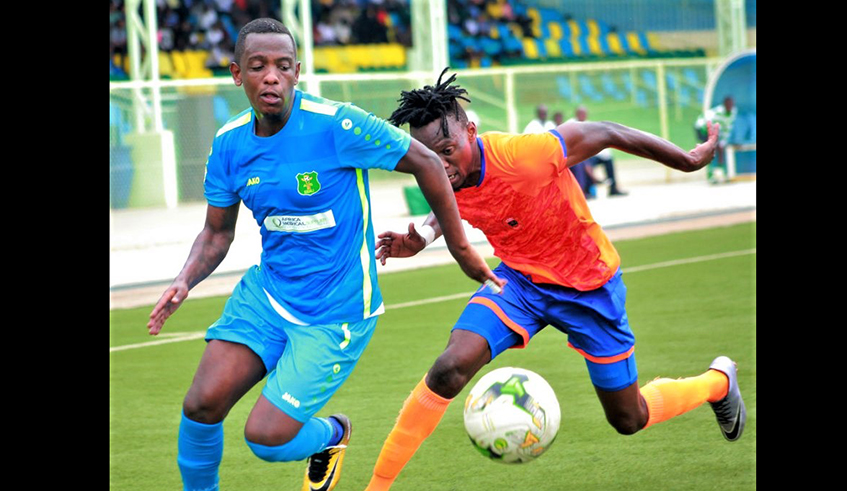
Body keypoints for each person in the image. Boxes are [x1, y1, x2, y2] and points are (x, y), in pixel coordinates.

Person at [146, 23, 501, 491]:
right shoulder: (230, 144)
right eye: (258, 67)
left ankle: (331, 434)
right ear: (237, 74)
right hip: (268, 296)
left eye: (282, 66)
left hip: (337, 312)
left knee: (265, 438)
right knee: (200, 405)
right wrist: (185, 279)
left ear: (298, 72)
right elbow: (216, 233)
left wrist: (459, 248)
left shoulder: (337, 124)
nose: (270, 77)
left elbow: (429, 162)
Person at [364, 69, 746, 490]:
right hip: (519, 283)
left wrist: (687, 160)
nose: (441, 165)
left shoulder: (524, 155)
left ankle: (718, 383)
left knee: (628, 418)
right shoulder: (442, 169)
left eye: (448, 150)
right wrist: (422, 235)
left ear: (471, 131)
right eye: (429, 157)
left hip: (589, 287)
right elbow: (449, 197)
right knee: (449, 368)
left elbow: (604, 131)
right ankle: (377, 487)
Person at [569, 105, 627, 197]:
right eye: (580, 113)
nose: (583, 115)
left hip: (590, 154)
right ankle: (587, 188)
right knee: (585, 163)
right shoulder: (571, 125)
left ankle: (613, 187)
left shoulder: (589, 124)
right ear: (576, 114)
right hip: (579, 156)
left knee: (608, 159)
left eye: (584, 114)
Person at [695, 96, 737, 184]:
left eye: (731, 104)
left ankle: (720, 172)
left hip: (715, 130)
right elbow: (709, 126)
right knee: (708, 150)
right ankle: (710, 174)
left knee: (720, 148)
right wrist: (714, 142)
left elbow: (727, 128)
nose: (730, 106)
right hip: (702, 128)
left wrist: (723, 141)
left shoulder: (733, 112)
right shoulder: (717, 113)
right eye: (728, 104)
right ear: (724, 105)